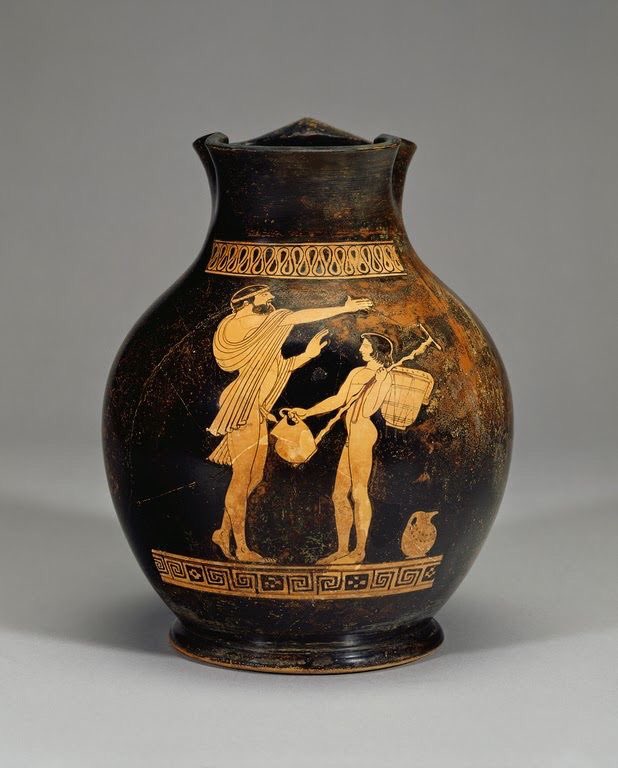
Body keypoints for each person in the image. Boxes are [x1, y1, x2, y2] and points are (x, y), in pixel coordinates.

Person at [207, 285, 373, 562]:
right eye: (264, 295)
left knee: (253, 477)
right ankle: (242, 549)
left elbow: (276, 367)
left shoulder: (259, 334)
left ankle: (223, 533)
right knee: (241, 477)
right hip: (242, 406)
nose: (271, 298)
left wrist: (308, 355)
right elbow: (295, 316)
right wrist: (344, 308)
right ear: (247, 301)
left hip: (256, 409)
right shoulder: (244, 323)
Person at [288, 333, 395, 564]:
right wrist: (308, 412)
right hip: (351, 434)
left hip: (363, 433)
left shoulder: (385, 376)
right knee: (339, 494)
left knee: (359, 491)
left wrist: (379, 382)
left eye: (366, 345)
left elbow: (368, 409)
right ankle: (342, 549)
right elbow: (338, 399)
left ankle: (359, 551)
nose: (361, 348)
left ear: (376, 350)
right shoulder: (357, 373)